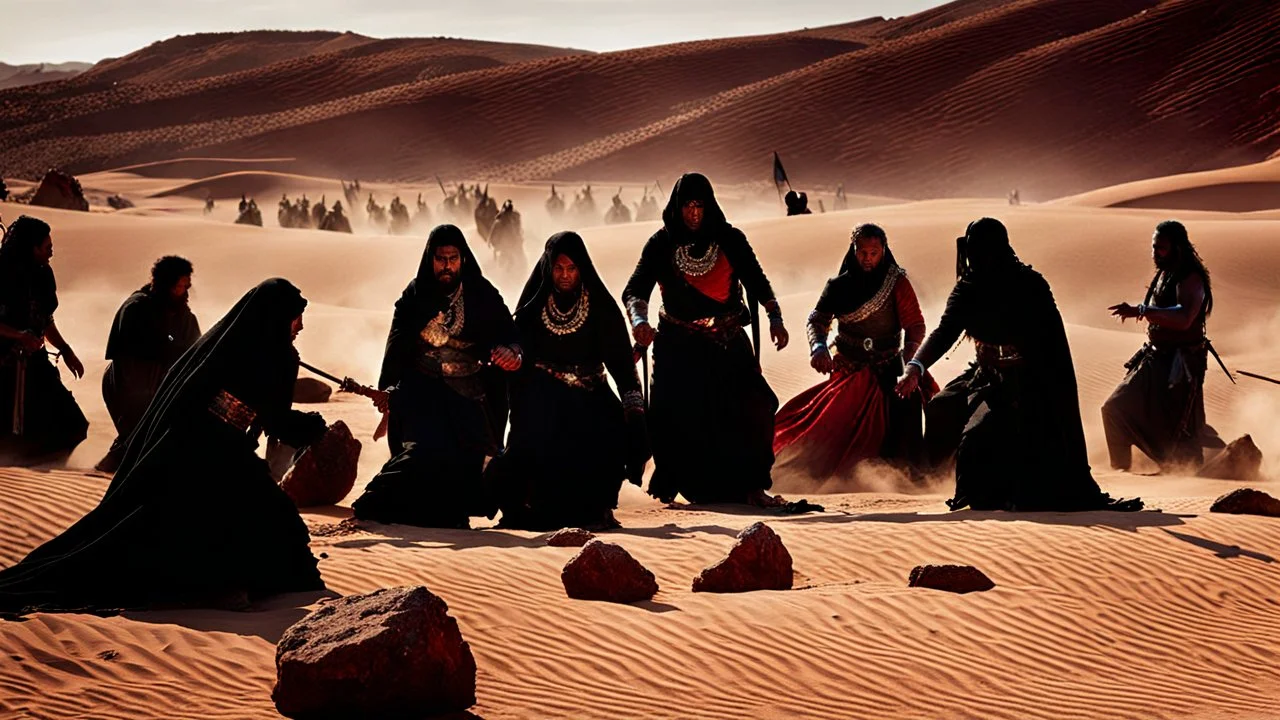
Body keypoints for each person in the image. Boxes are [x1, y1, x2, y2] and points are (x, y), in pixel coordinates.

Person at [0, 278, 328, 614]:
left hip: (222, 450)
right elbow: (276, 421)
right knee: (220, 522)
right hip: (205, 454)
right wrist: (316, 427)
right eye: (295, 317)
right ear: (275, 316)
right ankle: (218, 589)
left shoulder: (248, 346)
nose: (300, 326)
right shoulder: (267, 354)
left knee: (269, 519)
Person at [896, 218, 1142, 512]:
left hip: (1032, 381)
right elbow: (944, 331)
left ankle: (1007, 492)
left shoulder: (1030, 284)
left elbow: (1051, 343)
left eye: (985, 249)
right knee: (941, 407)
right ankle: (931, 481)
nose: (978, 256)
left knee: (979, 439)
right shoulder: (969, 287)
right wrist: (915, 367)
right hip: (985, 375)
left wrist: (1021, 364)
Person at [622, 172, 790, 507]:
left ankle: (754, 485)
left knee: (757, 405)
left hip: (727, 340)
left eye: (699, 205)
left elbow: (757, 281)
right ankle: (674, 483)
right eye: (687, 206)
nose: (694, 213)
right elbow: (635, 290)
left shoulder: (730, 239)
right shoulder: (661, 243)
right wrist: (639, 322)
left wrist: (775, 317)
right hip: (679, 346)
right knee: (672, 415)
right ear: (677, 207)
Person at [352, 225, 522, 528]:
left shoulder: (482, 293)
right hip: (423, 396)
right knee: (423, 455)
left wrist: (510, 351)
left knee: (474, 462)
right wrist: (389, 388)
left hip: (469, 397)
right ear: (430, 259)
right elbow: (396, 345)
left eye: (453, 258)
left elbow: (510, 334)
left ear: (463, 259)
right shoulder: (415, 294)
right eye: (440, 258)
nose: (447, 265)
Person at [485, 232, 649, 530]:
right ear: (549, 268)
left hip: (590, 395)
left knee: (611, 429)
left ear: (581, 268)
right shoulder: (534, 307)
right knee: (532, 442)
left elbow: (622, 366)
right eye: (558, 268)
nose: (564, 275)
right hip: (543, 396)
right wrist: (512, 356)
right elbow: (518, 345)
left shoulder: (600, 305)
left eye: (571, 269)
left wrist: (634, 408)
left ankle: (598, 508)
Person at [774, 224, 935, 479]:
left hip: (891, 365)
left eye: (874, 253)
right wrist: (818, 348)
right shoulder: (838, 286)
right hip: (850, 368)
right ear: (854, 250)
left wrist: (910, 360)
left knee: (908, 408)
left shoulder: (897, 282)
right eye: (862, 252)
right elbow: (817, 321)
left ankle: (909, 475)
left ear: (883, 251)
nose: (867, 258)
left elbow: (915, 325)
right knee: (830, 423)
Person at [1103, 220, 1224, 471]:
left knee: (1182, 431)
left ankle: (1220, 464)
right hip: (1156, 358)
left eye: (1162, 248)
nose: (1156, 253)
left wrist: (1142, 310)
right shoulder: (1166, 272)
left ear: (1177, 248)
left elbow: (1184, 317)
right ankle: (1121, 474)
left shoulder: (1190, 277)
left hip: (1179, 365)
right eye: (1154, 247)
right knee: (1115, 409)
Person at [95, 256, 202, 473]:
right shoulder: (137, 308)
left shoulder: (184, 316)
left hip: (158, 388)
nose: (186, 291)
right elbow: (136, 352)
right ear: (168, 285)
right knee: (141, 435)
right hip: (129, 384)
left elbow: (194, 351)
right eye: (181, 286)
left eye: (187, 285)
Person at [0, 216, 88, 462]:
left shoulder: (42, 274)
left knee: (73, 426)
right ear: (32, 247)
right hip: (6, 366)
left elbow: (44, 319)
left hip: (34, 363)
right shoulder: (2, 272)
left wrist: (65, 349)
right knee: (12, 437)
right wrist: (18, 335)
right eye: (47, 247)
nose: (51, 252)